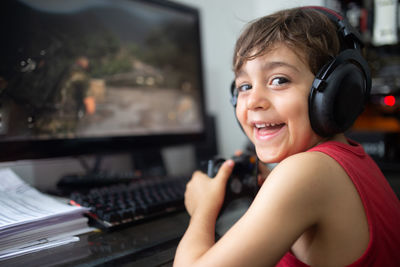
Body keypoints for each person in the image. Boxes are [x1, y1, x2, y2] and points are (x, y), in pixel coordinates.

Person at [173, 6, 400, 267]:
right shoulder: (346, 160)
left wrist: (203, 207)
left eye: (279, 80)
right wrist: (271, 184)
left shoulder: (307, 170)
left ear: (335, 93)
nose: (253, 101)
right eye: (244, 86)